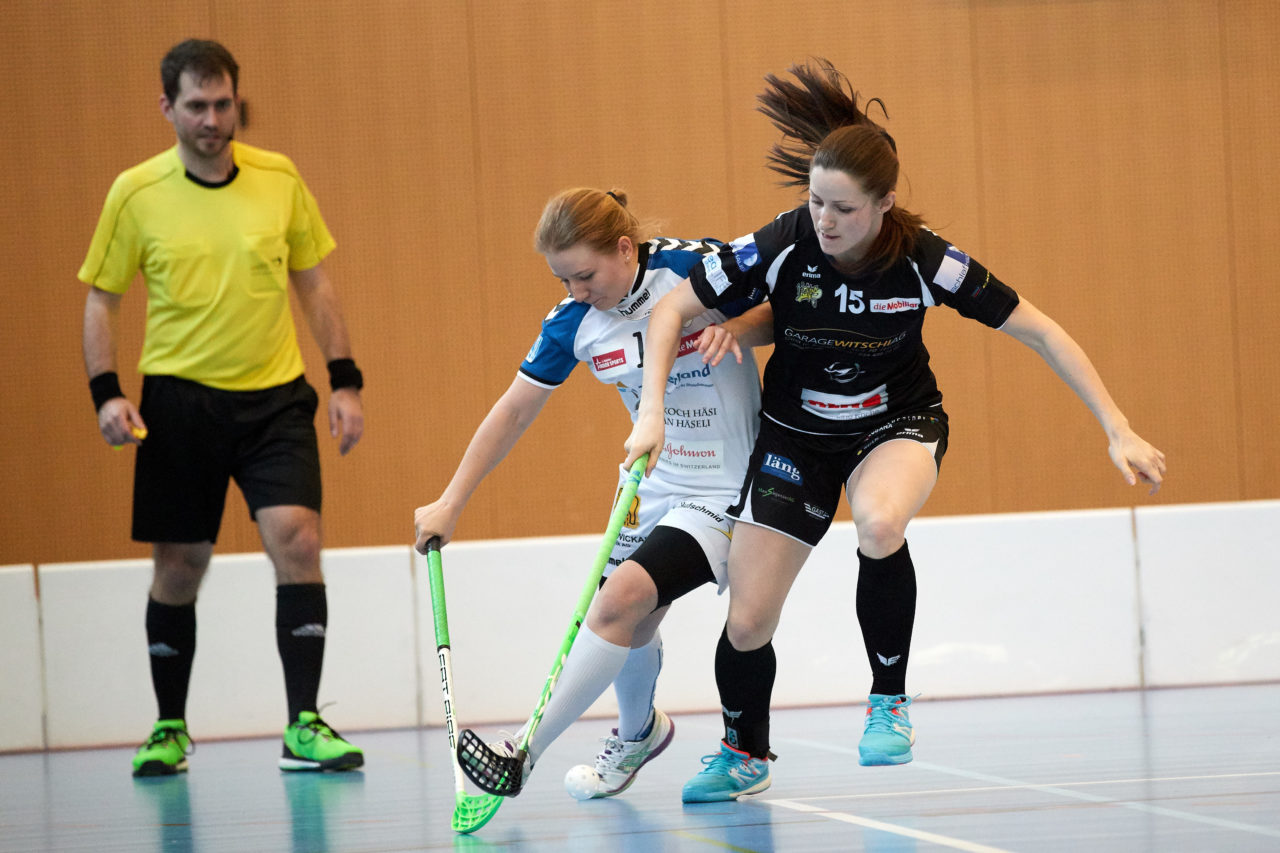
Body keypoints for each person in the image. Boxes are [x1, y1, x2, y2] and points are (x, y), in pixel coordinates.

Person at [624, 58, 1167, 803]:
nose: (825, 220)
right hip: (795, 434)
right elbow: (671, 310)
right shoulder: (783, 242)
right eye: (817, 201)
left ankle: (889, 701)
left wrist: (1118, 426)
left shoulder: (926, 260)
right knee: (747, 619)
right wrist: (652, 408)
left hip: (896, 421)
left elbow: (1040, 331)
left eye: (843, 208)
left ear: (882, 205)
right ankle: (745, 751)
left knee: (879, 521)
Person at [413, 186, 769, 798]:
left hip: (726, 487)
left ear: (624, 248)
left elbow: (792, 306)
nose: (577, 291)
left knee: (616, 603)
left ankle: (521, 752)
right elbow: (513, 412)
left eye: (584, 275)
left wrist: (735, 326)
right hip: (647, 484)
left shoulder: (691, 268)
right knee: (631, 622)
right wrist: (452, 500)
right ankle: (638, 736)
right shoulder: (574, 320)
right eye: (563, 279)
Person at [79, 39, 367, 777]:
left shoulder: (278, 179)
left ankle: (303, 723)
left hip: (274, 400)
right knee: (180, 564)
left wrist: (343, 379)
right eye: (197, 106)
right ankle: (168, 727)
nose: (212, 119)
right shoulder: (135, 192)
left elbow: (315, 283)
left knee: (298, 540)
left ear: (238, 100)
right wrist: (106, 394)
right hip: (177, 405)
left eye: (223, 103)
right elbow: (101, 300)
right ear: (168, 107)